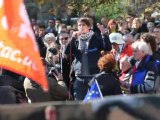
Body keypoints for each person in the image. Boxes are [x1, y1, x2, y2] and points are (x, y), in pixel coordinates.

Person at [65, 17, 104, 100]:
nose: (81, 27)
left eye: (83, 25)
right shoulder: (76, 40)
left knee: (95, 101)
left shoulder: (95, 38)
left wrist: (104, 34)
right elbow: (66, 52)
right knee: (79, 102)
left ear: (89, 27)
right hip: (79, 77)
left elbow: (107, 47)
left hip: (93, 76)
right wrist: (73, 38)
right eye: (79, 25)